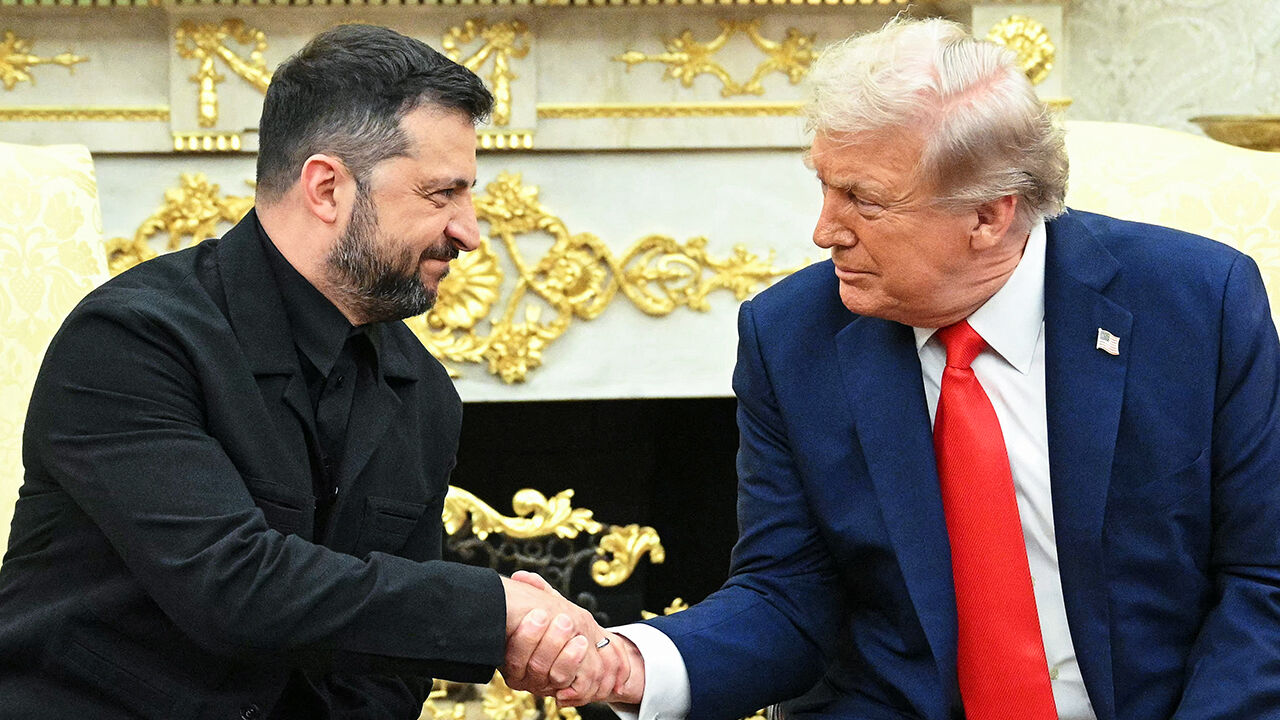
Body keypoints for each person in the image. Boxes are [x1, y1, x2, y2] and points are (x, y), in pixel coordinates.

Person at [505, 15, 1280, 720]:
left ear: (989, 214)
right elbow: (786, 595)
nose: (822, 231)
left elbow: (1262, 580)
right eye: (822, 185)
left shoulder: (1195, 304)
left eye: (863, 201)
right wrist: (626, 663)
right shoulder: (792, 335)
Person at [0, 24, 623, 719]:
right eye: (442, 194)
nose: (471, 230)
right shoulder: (133, 339)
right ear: (327, 188)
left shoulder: (423, 393)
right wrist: (497, 609)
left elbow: (387, 668)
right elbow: (235, 587)